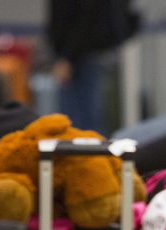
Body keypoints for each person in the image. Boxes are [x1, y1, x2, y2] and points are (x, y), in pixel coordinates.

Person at [46, 0, 139, 135]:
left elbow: (83, 20)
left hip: (79, 55)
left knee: (80, 122)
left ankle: (88, 154)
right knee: (85, 119)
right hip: (83, 53)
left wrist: (67, 57)